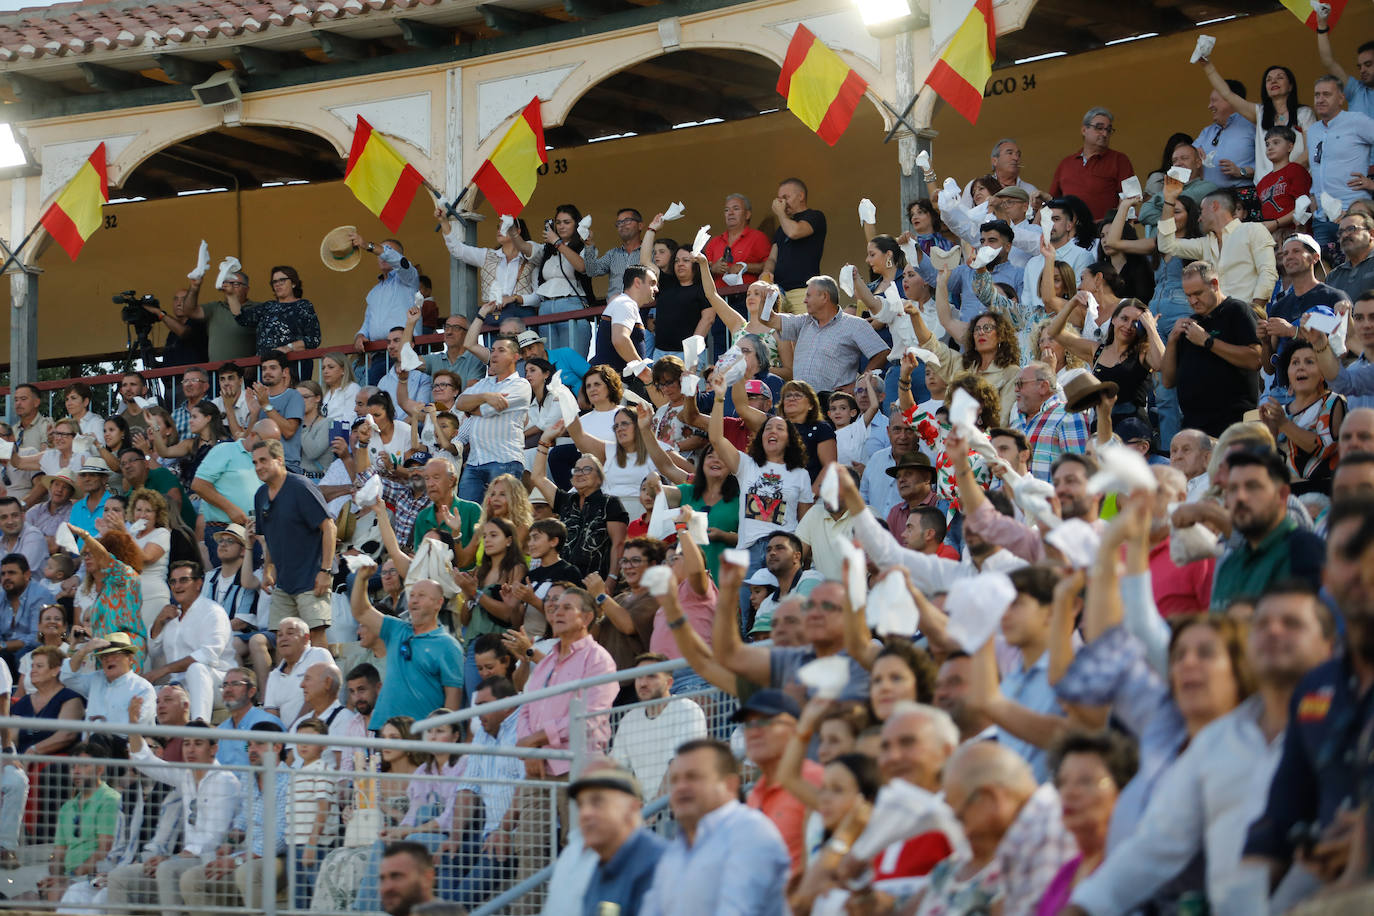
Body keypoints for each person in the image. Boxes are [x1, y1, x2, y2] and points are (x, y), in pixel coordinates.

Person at [1063, 580, 1334, 915]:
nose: (1273, 631)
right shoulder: (1215, 742)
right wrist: (1082, 907)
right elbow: (1155, 847)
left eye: (1292, 623)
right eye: (1261, 624)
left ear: (1329, 645)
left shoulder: (1349, 728)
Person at [638, 738, 790, 916]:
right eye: (674, 780)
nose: (680, 787)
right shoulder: (674, 852)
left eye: (693, 777)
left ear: (730, 785)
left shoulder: (750, 832)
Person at [107, 716, 238, 915]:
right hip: (185, 859)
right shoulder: (186, 776)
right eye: (187, 744)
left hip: (210, 861)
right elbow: (147, 763)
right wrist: (133, 726)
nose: (191, 750)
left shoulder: (224, 781)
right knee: (119, 877)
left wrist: (173, 858)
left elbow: (213, 838)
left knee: (167, 870)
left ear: (213, 749)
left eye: (198, 743)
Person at [180, 723, 291, 910]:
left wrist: (237, 860)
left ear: (278, 748)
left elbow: (278, 838)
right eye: (249, 745)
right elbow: (242, 820)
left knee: (245, 874)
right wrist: (229, 843)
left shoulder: (289, 780)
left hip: (279, 858)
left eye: (259, 744)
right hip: (246, 853)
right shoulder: (249, 778)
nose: (252, 750)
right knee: (191, 878)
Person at [349, 559, 463, 728]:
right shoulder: (396, 629)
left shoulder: (448, 646)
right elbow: (361, 611)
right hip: (385, 731)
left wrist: (441, 741)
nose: (414, 600)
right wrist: (362, 579)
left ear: (438, 603)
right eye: (412, 596)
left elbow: (452, 702)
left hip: (419, 736)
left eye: (421, 596)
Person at [1210, 448, 1326, 608]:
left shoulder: (1304, 551)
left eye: (1252, 486)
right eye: (1233, 489)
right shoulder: (1229, 563)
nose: (1240, 497)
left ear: (1282, 495)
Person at [1161, 261, 1263, 438]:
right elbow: (1168, 381)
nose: (1193, 301)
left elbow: (1255, 359)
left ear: (1214, 285)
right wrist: (1171, 341)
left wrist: (1208, 342)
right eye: (1188, 295)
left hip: (1233, 426)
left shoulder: (1238, 311)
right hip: (1194, 428)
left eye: (1197, 293)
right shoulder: (1191, 323)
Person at [250, 438, 335, 645]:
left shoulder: (301, 487)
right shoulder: (260, 495)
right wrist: (268, 569)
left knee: (316, 636)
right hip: (284, 584)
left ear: (279, 460)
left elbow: (329, 527)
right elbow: (269, 536)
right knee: (283, 641)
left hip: (311, 579)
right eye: (255, 463)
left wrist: (325, 571)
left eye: (263, 460)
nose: (259, 467)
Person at [1158, 184, 1277, 316]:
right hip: (1216, 320)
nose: (1199, 218)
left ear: (1214, 206)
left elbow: (1268, 273)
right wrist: (1169, 201)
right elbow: (1165, 246)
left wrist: (1253, 313)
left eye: (1201, 210)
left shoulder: (1253, 230)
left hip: (1248, 317)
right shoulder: (1205, 243)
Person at [760, 275, 889, 393]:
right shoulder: (803, 321)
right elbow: (768, 319)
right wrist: (767, 300)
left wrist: (858, 384)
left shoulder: (855, 325)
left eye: (808, 296)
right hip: (801, 403)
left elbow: (882, 353)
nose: (804, 301)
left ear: (824, 297)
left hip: (833, 406)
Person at [572, 762, 666, 916]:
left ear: (632, 809)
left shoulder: (659, 865)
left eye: (597, 802)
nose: (585, 813)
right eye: (581, 804)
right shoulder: (599, 866)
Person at [145, 560, 234, 722]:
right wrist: (158, 621)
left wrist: (164, 670)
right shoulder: (171, 615)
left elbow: (208, 655)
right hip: (179, 686)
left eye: (184, 580)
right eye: (173, 581)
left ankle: (200, 727)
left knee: (196, 669)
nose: (177, 586)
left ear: (199, 583)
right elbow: (154, 651)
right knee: (140, 689)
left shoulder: (213, 611)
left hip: (219, 684)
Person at [452, 334, 532, 503]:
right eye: (493, 350)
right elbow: (459, 403)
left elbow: (482, 410)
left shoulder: (521, 385)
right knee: (469, 519)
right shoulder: (484, 384)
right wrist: (486, 395)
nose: (494, 354)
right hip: (474, 462)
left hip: (505, 461)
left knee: (502, 519)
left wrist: (473, 406)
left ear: (515, 357)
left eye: (501, 350)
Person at [1259, 339, 1345, 493]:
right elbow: (1271, 464)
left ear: (1324, 372)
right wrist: (1270, 430)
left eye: (1309, 362)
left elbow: (1326, 448)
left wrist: (1284, 424)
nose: (1301, 368)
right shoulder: (1282, 412)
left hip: (1324, 492)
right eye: (1295, 362)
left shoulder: (1332, 402)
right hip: (1287, 494)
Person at [39, 742, 121, 903]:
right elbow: (59, 854)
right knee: (25, 898)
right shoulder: (67, 808)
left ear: (100, 769)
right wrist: (55, 877)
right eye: (73, 767)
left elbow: (104, 850)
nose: (76, 772)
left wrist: (69, 877)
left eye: (83, 766)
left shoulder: (110, 800)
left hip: (95, 877)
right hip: (71, 879)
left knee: (55, 894)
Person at [1307, 75, 1374, 254]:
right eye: (1317, 95)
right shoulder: (1313, 130)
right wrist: (1313, 195)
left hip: (1352, 215)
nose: (1320, 99)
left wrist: (1372, 184)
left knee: (1358, 267)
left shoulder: (1356, 121)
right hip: (1321, 218)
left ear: (1341, 98)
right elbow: (1317, 166)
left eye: (1326, 94)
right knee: (1324, 273)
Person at [351, 233, 421, 383]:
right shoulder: (374, 292)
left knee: (403, 399)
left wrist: (368, 246)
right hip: (380, 356)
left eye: (387, 251)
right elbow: (367, 323)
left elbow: (399, 262)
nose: (382, 255)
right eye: (380, 252)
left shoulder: (409, 278)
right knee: (377, 402)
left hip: (406, 351)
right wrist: (360, 335)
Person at [1049, 107, 1135, 219]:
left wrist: (1112, 227)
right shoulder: (1066, 163)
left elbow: (1131, 198)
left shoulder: (1120, 160)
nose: (1104, 134)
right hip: (1069, 232)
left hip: (1103, 232)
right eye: (1099, 128)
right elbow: (1053, 201)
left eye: (1108, 130)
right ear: (1084, 130)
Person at [761, 178, 827, 313]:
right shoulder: (781, 229)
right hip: (780, 292)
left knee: (805, 332)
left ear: (801, 196)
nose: (782, 203)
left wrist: (780, 213)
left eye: (786, 197)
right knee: (780, 333)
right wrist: (767, 272)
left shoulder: (815, 216)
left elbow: (794, 232)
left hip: (804, 291)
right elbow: (772, 258)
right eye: (779, 199)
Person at [592, 265, 654, 374]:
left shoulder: (625, 303)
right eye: (652, 283)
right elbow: (620, 339)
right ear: (637, 282)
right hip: (613, 383)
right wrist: (643, 372)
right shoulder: (625, 303)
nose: (656, 289)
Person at [216, 668, 282, 767]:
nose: (228, 689)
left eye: (236, 684)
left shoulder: (268, 723)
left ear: (251, 691)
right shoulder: (221, 730)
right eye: (225, 685)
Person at [1325, 213, 1374, 305]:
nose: (1345, 235)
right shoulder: (1334, 276)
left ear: (1371, 234)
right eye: (1341, 232)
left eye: (1351, 229)